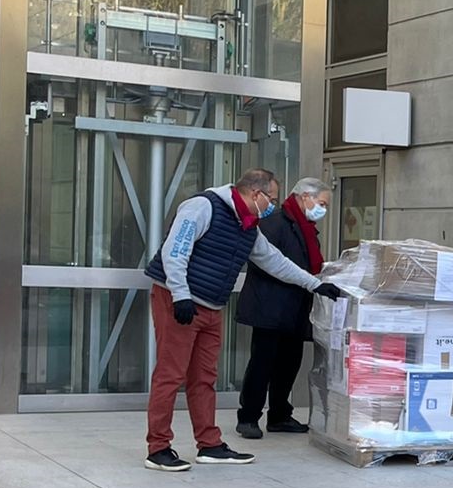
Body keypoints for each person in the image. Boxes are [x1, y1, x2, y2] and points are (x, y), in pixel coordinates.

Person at [142, 167, 345, 472]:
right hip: (178, 300)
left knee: (204, 378)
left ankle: (209, 444)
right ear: (255, 193)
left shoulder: (248, 225)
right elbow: (176, 249)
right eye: (271, 199)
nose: (273, 205)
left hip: (211, 305)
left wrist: (314, 284)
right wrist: (180, 294)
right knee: (170, 374)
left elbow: (274, 260)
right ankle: (158, 448)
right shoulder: (203, 206)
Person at [234, 176, 331, 440]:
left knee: (289, 365)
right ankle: (249, 417)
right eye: (321, 203)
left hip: (295, 309)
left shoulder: (306, 228)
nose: (323, 209)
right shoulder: (274, 223)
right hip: (270, 308)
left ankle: (279, 415)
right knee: (262, 364)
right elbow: (265, 262)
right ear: (305, 197)